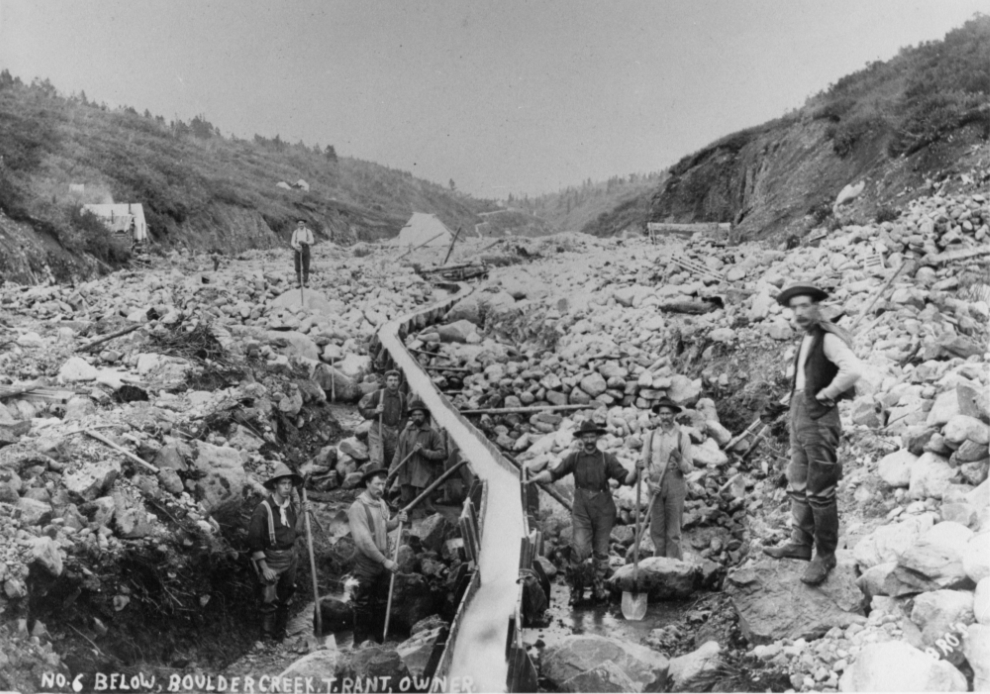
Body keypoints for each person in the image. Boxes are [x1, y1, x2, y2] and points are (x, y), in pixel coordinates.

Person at [763, 283, 863, 585]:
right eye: (794, 308)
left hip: (820, 419)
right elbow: (801, 384)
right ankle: (800, 544)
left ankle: (825, 555)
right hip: (799, 414)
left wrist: (827, 395)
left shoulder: (827, 338)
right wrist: (781, 406)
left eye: (805, 305)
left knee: (820, 490)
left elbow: (853, 370)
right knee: (797, 482)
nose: (799, 312)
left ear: (817, 307)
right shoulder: (806, 338)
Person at [525, 420, 639, 603]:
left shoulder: (607, 459)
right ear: (580, 439)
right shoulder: (574, 458)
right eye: (586, 437)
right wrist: (538, 478)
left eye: (592, 436)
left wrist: (636, 470)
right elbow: (554, 474)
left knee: (601, 551)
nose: (589, 440)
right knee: (579, 551)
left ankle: (598, 587)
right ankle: (576, 589)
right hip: (581, 509)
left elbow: (626, 479)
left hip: (604, 509)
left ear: (597, 438)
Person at [246, 463, 311, 642]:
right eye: (283, 483)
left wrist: (304, 514)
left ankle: (280, 636)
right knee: (268, 600)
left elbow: (295, 533)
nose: (287, 487)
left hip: (291, 557)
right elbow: (254, 541)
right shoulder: (263, 509)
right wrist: (264, 567)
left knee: (286, 597)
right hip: (272, 559)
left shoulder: (289, 507)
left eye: (289, 484)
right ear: (275, 485)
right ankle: (267, 642)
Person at [346, 465, 408, 646]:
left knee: (381, 603)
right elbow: (365, 542)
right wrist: (386, 561)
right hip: (366, 563)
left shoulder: (381, 503)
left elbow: (384, 526)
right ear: (367, 483)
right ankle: (359, 646)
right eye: (377, 484)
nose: (381, 488)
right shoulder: (357, 508)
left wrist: (397, 520)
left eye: (384, 484)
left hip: (382, 560)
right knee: (362, 605)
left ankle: (378, 642)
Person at [639, 398, 695, 560]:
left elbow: (689, 468)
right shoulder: (650, 437)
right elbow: (644, 464)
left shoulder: (682, 438)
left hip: (675, 483)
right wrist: (649, 482)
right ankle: (659, 566)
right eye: (661, 414)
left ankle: (675, 568)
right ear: (657, 416)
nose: (664, 417)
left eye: (668, 414)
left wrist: (677, 456)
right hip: (655, 485)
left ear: (675, 415)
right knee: (656, 529)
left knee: (673, 531)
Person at [391, 399, 447, 515]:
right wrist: (392, 471)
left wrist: (424, 451)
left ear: (425, 416)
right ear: (411, 416)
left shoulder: (432, 433)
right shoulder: (406, 432)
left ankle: (430, 522)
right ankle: (404, 525)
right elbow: (398, 453)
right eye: (414, 414)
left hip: (424, 471)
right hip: (407, 471)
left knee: (426, 501)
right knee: (406, 500)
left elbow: (442, 453)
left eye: (420, 414)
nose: (417, 417)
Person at [358, 370, 407, 468]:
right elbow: (364, 411)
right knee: (377, 460)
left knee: (394, 463)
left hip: (393, 433)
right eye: (390, 380)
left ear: (399, 382)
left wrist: (400, 429)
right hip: (377, 430)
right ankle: (376, 479)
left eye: (395, 380)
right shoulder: (377, 394)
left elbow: (405, 416)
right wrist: (375, 411)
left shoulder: (402, 397)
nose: (393, 383)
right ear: (386, 382)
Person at [290, 219, 315, 288]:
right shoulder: (295, 232)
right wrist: (296, 247)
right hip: (297, 249)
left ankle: (306, 281)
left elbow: (312, 241)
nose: (301, 225)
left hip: (306, 248)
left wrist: (305, 242)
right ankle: (299, 281)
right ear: (298, 224)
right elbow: (292, 242)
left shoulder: (308, 231)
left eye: (302, 223)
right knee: (297, 266)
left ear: (304, 224)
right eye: (299, 223)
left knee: (306, 265)